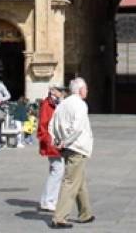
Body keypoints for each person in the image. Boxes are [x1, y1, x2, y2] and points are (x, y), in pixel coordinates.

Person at [50, 78, 94, 228]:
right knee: (70, 181)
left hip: (67, 147)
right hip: (77, 147)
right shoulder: (80, 105)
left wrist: (57, 140)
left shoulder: (63, 103)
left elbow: (53, 123)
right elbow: (78, 128)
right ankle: (60, 217)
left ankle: (85, 213)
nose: (87, 91)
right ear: (80, 90)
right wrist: (66, 141)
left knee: (79, 180)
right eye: (86, 88)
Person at [38, 85, 64, 213]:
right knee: (57, 170)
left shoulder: (56, 103)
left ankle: (46, 200)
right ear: (53, 91)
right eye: (60, 90)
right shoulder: (47, 104)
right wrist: (48, 141)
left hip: (56, 141)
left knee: (55, 171)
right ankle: (49, 201)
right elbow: (43, 124)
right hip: (52, 142)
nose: (62, 92)